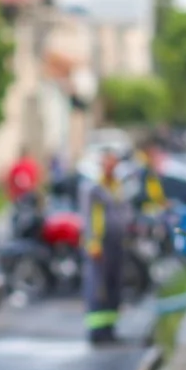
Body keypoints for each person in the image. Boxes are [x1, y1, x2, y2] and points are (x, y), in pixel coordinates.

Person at [81, 147, 131, 344]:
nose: (111, 166)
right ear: (102, 164)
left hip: (117, 244)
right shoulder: (93, 187)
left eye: (114, 162)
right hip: (99, 246)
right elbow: (87, 217)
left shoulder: (117, 185)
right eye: (108, 162)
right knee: (97, 289)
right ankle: (97, 331)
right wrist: (92, 243)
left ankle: (110, 329)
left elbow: (124, 211)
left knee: (113, 287)